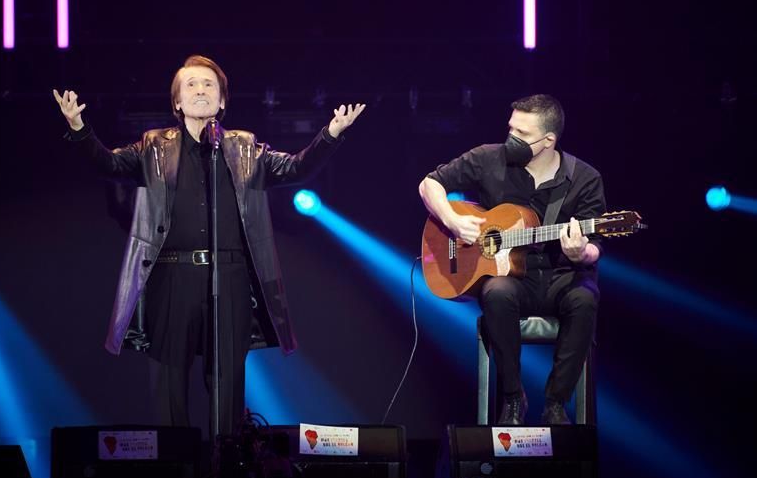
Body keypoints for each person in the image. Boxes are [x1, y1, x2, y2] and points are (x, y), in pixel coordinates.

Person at [53, 55, 365, 435]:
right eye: (191, 85)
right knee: (169, 383)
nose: (200, 90)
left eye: (209, 85)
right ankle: (178, 473)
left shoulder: (244, 146)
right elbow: (110, 165)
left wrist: (330, 134)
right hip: (172, 276)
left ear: (221, 102)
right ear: (178, 103)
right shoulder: (153, 146)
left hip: (229, 277)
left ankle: (225, 474)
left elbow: (294, 168)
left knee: (227, 386)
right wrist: (79, 128)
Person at [418, 94, 605, 425]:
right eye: (511, 129)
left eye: (522, 135)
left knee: (585, 298)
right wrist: (452, 220)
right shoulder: (488, 158)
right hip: (512, 278)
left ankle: (556, 403)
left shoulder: (584, 178)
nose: (512, 139)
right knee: (497, 293)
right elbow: (429, 184)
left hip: (561, 275)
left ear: (549, 141)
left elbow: (594, 247)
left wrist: (581, 251)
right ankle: (513, 398)